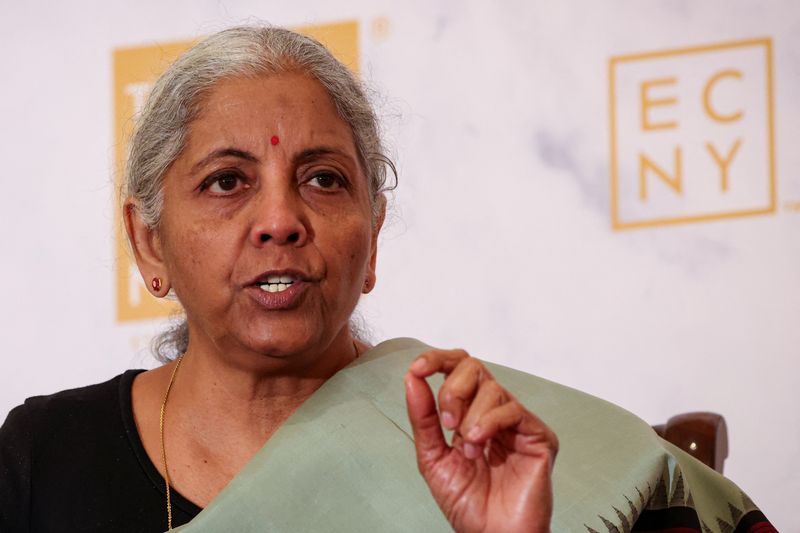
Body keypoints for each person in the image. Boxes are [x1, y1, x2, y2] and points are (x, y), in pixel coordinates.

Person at [0, 25, 776, 533]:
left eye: (325, 179)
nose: (280, 219)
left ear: (371, 240)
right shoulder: (44, 457)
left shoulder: (500, 450)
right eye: (227, 182)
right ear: (149, 245)